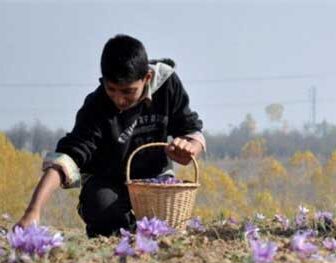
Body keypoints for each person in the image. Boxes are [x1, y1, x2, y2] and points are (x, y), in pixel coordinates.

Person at [15, 34, 206, 237]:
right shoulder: (95, 108)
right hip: (108, 182)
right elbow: (66, 159)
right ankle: (123, 235)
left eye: (128, 91)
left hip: (154, 180)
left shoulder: (167, 85)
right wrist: (33, 211)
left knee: (164, 226)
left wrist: (189, 148)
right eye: (111, 89)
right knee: (102, 208)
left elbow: (191, 130)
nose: (119, 99)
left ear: (147, 78)